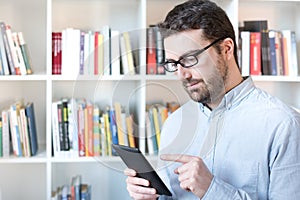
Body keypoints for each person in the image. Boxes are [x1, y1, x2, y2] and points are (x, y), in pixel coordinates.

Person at [124, 0, 300, 199]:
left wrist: (213, 189)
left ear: (226, 49)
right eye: (173, 63)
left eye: (190, 59)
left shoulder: (284, 125)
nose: (182, 75)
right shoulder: (174, 123)